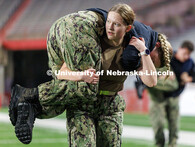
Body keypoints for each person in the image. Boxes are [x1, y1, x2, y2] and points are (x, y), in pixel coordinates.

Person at [9, 3, 172, 146]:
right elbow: (62, 72)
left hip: (108, 104)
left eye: (116, 24)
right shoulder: (91, 40)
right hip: (83, 107)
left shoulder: (137, 50)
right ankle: (30, 100)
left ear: (127, 28)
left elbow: (150, 81)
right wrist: (81, 76)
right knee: (84, 88)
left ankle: (30, 101)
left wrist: (144, 51)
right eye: (110, 23)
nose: (111, 28)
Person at [136, 40, 195, 147]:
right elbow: (154, 66)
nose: (186, 57)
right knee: (158, 125)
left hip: (174, 97)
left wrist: (188, 78)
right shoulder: (168, 55)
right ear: (179, 49)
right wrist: (165, 73)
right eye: (185, 53)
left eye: (188, 55)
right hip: (158, 97)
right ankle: (159, 144)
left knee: (174, 126)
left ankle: (172, 145)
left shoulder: (189, 62)